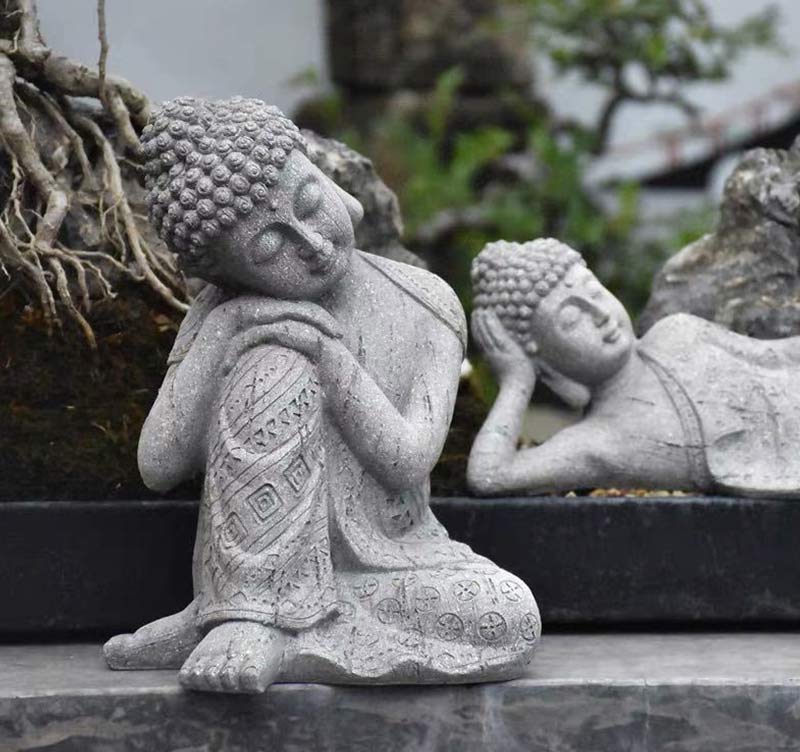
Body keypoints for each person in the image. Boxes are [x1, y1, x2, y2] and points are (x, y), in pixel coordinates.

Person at [104, 97, 539, 693]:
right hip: (249, 575)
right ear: (226, 271)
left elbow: (407, 460)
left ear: (326, 177)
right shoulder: (224, 314)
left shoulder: (427, 301)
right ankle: (248, 613)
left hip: (387, 565)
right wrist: (228, 327)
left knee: (510, 614)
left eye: (308, 202)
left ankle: (278, 633)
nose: (310, 243)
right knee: (274, 357)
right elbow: (158, 465)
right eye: (267, 248)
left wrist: (329, 357)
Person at [468, 238, 800, 498]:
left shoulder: (677, 332)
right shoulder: (601, 440)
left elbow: (774, 355)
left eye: (595, 292)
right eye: (571, 319)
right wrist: (516, 380)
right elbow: (490, 476)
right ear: (543, 359)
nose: (600, 315)